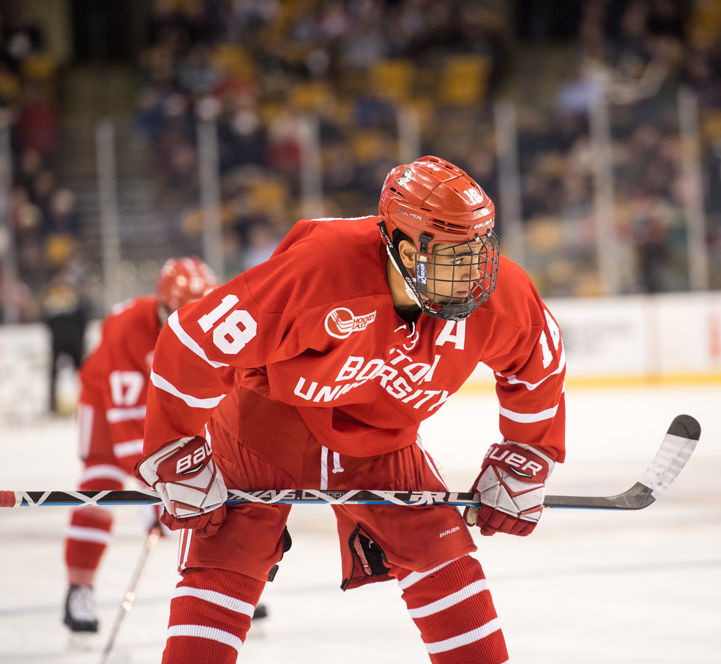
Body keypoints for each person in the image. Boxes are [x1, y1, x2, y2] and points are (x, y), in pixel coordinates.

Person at [136, 155, 566, 663]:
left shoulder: (499, 296)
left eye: (479, 252)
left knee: (442, 555)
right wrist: (177, 449)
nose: (475, 275)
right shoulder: (320, 272)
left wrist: (524, 454)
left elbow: (537, 361)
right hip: (266, 419)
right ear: (406, 247)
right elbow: (192, 341)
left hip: (382, 436)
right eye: (455, 257)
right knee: (227, 556)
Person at [63, 256, 220, 635]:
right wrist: (153, 489)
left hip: (163, 396)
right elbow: (127, 418)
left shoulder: (214, 326)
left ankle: (224, 584)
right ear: (165, 305)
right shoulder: (126, 326)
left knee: (207, 483)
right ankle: (78, 589)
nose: (194, 325)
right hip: (104, 401)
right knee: (100, 480)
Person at [42, 273, 91, 415]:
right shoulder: (51, 302)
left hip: (73, 343)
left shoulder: (73, 301)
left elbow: (83, 321)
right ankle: (52, 404)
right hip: (60, 343)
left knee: (81, 375)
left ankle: (84, 401)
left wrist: (80, 340)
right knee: (55, 374)